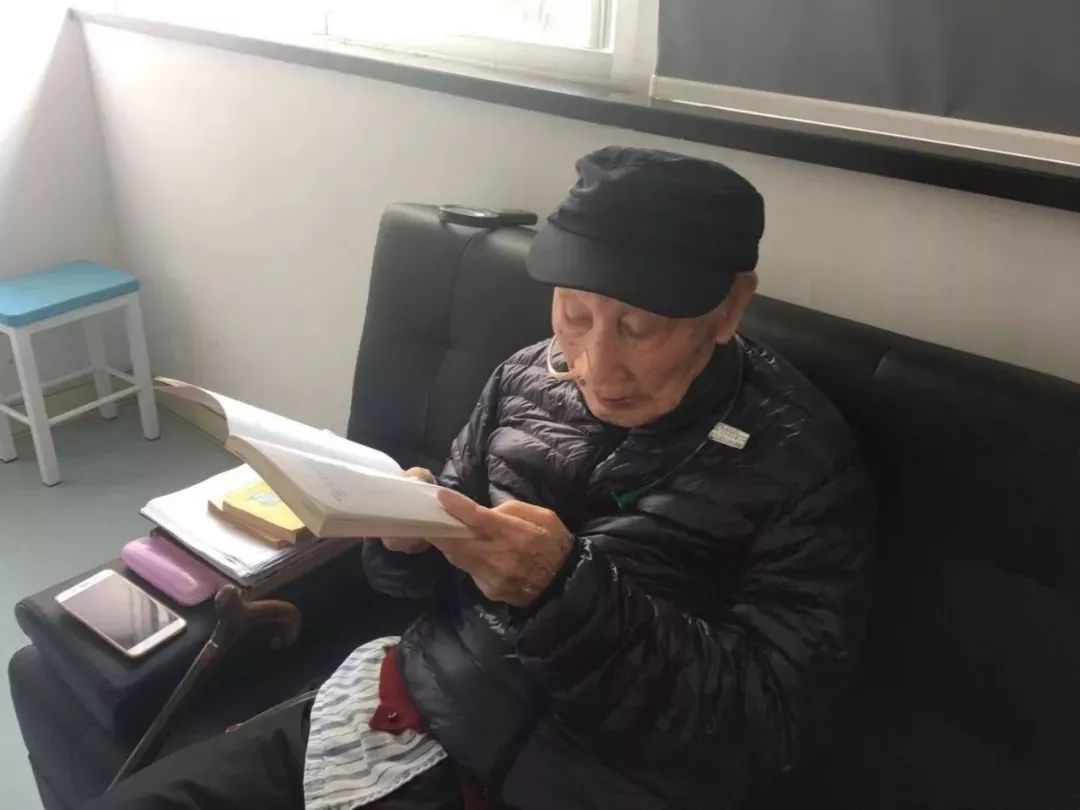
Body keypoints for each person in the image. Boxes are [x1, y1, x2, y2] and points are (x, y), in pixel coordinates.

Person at [90, 147, 872, 810]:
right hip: (409, 707)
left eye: (640, 329)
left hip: (579, 780)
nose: (597, 366)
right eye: (575, 315)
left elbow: (761, 728)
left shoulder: (800, 461)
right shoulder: (525, 377)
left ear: (729, 309)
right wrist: (405, 537)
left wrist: (565, 594)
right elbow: (416, 586)